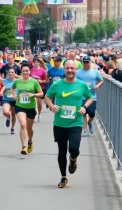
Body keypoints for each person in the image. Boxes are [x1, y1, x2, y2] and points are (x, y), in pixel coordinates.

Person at [45, 60, 93, 189]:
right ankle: (64, 177)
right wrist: (51, 105)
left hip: (76, 122)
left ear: (76, 70)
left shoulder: (82, 85)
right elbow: (47, 96)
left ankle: (73, 159)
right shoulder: (57, 84)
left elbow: (90, 97)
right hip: (60, 123)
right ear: (64, 70)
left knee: (73, 149)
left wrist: (84, 107)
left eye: (72, 68)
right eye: (67, 68)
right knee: (61, 151)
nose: (70, 70)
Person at [11, 63, 43, 155]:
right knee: (23, 124)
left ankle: (30, 141)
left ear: (29, 72)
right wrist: (14, 95)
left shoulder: (34, 82)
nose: (25, 72)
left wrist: (33, 95)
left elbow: (41, 93)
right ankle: (23, 146)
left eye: (27, 71)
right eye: (23, 71)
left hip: (31, 107)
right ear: (21, 72)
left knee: (29, 128)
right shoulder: (17, 81)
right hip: (20, 106)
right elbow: (12, 89)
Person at [76, 56, 104, 136]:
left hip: (92, 96)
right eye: (84, 62)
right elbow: (74, 81)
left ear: (90, 63)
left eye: (87, 62)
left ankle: (90, 122)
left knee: (92, 113)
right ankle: (85, 130)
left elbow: (101, 80)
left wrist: (98, 85)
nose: (85, 64)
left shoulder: (95, 72)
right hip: (81, 96)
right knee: (83, 113)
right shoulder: (78, 72)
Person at [30, 58, 48, 122]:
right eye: (34, 62)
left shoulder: (42, 70)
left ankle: (39, 113)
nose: (35, 63)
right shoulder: (31, 70)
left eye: (37, 62)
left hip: (40, 88)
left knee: (39, 102)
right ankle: (35, 115)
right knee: (34, 103)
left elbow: (47, 80)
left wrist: (41, 81)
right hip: (32, 88)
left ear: (39, 63)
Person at [2, 67, 17, 134]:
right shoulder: (4, 81)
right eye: (9, 72)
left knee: (14, 114)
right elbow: (1, 89)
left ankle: (12, 128)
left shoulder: (17, 81)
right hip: (6, 99)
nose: (10, 73)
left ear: (15, 73)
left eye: (12, 72)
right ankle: (8, 117)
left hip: (14, 100)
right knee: (5, 112)